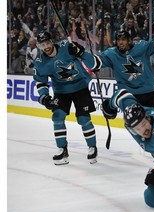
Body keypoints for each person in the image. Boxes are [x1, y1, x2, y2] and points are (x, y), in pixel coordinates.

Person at [33, 31, 102, 165]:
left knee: (83, 118)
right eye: (42, 45)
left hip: (80, 87)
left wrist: (79, 49)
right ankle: (62, 150)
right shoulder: (40, 61)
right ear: (39, 46)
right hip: (61, 91)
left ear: (52, 41)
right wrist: (45, 97)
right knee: (57, 116)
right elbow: (41, 82)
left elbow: (87, 57)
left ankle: (92, 147)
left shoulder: (66, 46)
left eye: (47, 43)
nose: (46, 47)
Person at [99, 10, 154, 110]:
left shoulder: (141, 47)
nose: (121, 43)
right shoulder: (113, 54)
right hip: (130, 97)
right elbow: (96, 62)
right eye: (119, 40)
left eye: (124, 40)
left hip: (149, 94)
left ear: (130, 41)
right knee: (136, 123)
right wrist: (82, 54)